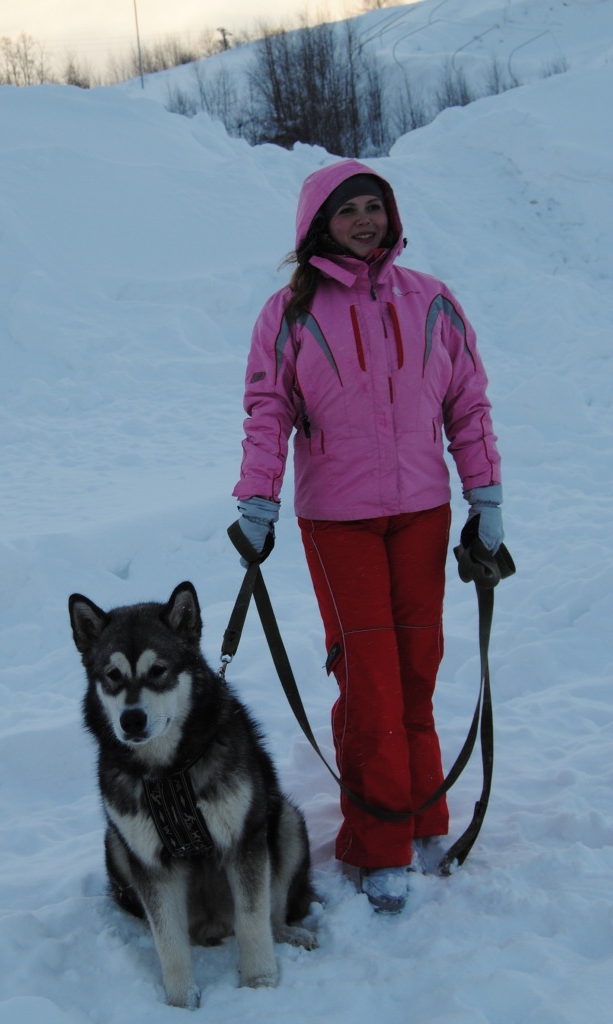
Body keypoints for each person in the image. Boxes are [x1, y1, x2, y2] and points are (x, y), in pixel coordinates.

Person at [232, 159, 504, 914]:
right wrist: (257, 500)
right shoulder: (290, 314)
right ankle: (377, 841)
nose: (364, 221)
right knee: (370, 680)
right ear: (319, 223)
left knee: (417, 667)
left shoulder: (432, 301)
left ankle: (423, 814)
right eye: (348, 209)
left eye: (374, 207)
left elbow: (468, 404)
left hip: (422, 511)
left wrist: (485, 495)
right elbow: (267, 411)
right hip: (338, 519)